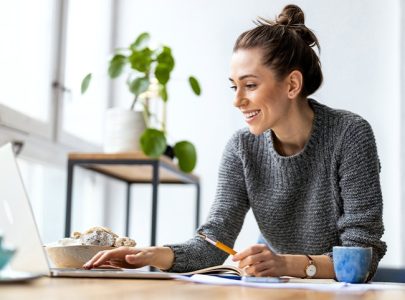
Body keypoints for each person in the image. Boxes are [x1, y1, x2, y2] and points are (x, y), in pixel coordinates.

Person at [84, 4, 386, 279]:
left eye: (250, 85)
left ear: (292, 84)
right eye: (234, 87)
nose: (238, 101)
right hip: (276, 286)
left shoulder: (350, 134)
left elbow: (362, 257)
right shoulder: (242, 148)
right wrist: (153, 255)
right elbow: (214, 242)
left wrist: (284, 263)